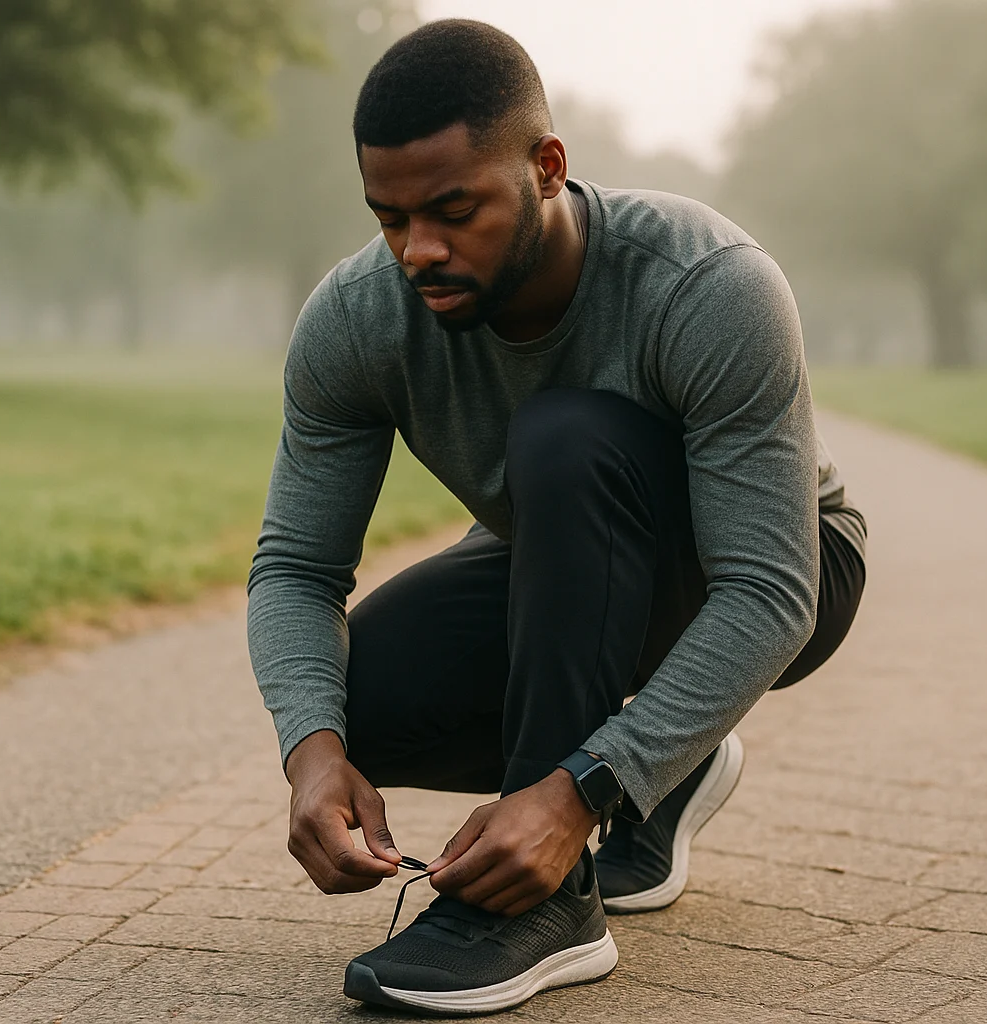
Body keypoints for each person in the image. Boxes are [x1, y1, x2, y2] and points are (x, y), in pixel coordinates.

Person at [246, 18, 867, 1016]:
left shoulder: (708, 285)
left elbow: (772, 587)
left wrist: (571, 795)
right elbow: (294, 569)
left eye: (455, 209)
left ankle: (550, 901)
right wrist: (310, 753)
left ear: (546, 166)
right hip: (565, 558)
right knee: (346, 701)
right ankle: (673, 757)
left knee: (566, 438)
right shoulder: (357, 319)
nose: (421, 251)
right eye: (390, 217)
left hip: (777, 564)